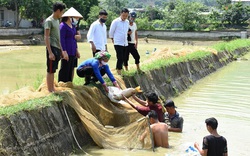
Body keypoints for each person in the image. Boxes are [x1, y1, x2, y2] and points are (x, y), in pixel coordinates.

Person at [44, 2, 66, 92]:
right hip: (52, 47)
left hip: (57, 47)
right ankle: (50, 90)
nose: (62, 14)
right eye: (62, 12)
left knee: (54, 69)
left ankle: (52, 88)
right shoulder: (49, 21)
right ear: (57, 11)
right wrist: (50, 52)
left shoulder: (57, 21)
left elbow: (58, 37)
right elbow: (46, 37)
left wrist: (61, 50)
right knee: (50, 70)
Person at [58, 7, 82, 83]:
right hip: (66, 51)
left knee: (71, 69)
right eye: (76, 18)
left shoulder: (73, 27)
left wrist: (76, 50)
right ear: (70, 17)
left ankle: (69, 84)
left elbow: (74, 39)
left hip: (72, 51)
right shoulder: (62, 26)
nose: (77, 20)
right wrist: (64, 51)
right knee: (65, 69)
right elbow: (61, 40)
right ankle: (62, 84)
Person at [109, 8, 130, 75]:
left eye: (126, 16)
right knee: (120, 58)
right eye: (124, 15)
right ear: (121, 14)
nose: (125, 17)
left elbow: (126, 31)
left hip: (125, 42)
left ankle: (121, 69)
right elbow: (111, 31)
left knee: (124, 58)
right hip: (118, 42)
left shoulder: (127, 22)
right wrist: (112, 38)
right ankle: (119, 72)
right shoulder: (115, 21)